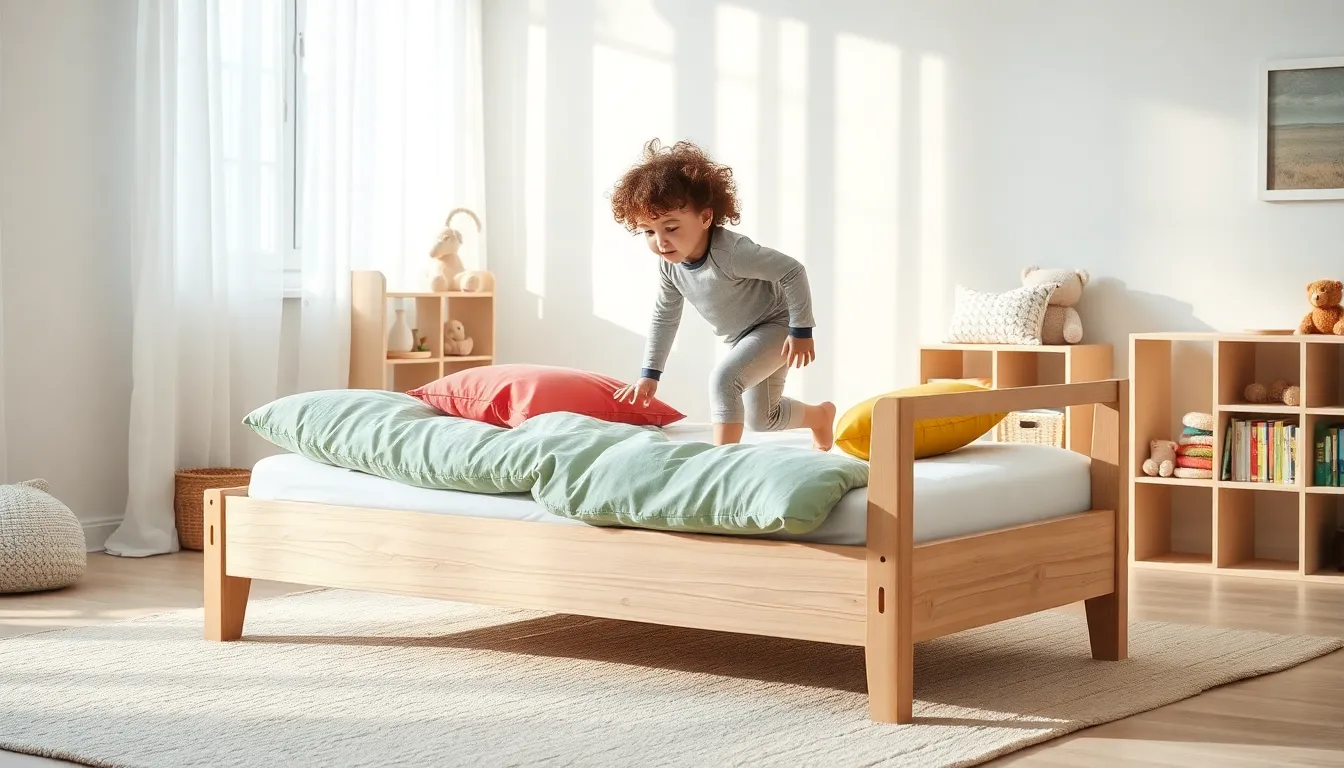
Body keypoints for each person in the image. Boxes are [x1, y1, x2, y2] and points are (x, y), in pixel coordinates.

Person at [609, 139, 835, 450]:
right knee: (762, 417)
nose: (660, 241)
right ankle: (821, 417)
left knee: (723, 380)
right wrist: (650, 375)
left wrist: (801, 329)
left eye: (671, 228)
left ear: (705, 218)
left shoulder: (731, 253)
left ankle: (721, 459)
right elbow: (665, 317)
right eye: (649, 231)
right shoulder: (670, 267)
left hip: (776, 324)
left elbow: (792, 270)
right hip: (743, 337)